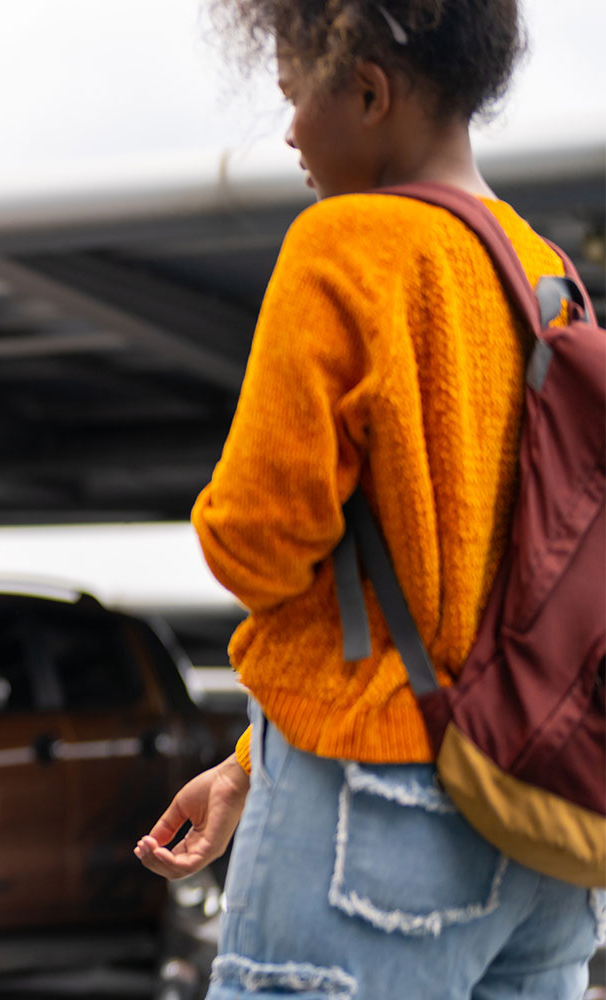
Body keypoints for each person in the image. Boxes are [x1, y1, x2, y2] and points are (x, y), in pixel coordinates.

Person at [135, 1, 603, 995]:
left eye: (294, 94)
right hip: (541, 829)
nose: (291, 131)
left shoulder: (345, 245)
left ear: (366, 90)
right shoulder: (545, 275)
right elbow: (490, 594)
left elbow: (259, 543)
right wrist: (243, 767)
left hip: (373, 815)